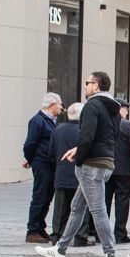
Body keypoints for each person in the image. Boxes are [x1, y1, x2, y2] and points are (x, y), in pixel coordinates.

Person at [35, 71, 122, 257]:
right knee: (77, 207)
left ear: (96, 86)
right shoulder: (114, 108)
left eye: (88, 83)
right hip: (105, 161)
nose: (85, 86)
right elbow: (108, 136)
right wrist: (79, 150)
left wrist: (80, 158)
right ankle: (60, 250)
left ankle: (111, 256)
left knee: (98, 211)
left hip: (91, 165)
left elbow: (88, 136)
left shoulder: (92, 105)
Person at [23, 92, 62, 243]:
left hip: (49, 164)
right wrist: (31, 159)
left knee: (47, 197)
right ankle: (32, 230)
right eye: (59, 104)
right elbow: (29, 144)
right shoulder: (38, 121)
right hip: (42, 164)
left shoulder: (51, 121)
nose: (61, 107)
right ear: (52, 105)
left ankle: (40, 227)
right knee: (40, 197)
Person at [48, 103, 82, 244]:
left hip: (62, 173)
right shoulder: (84, 131)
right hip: (79, 174)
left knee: (60, 208)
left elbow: (51, 153)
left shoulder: (58, 130)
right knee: (80, 207)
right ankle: (81, 236)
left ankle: (57, 234)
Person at [108, 102, 130, 244]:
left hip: (106, 167)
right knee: (122, 202)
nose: (126, 112)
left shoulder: (105, 124)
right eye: (125, 109)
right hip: (124, 170)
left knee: (104, 201)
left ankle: (99, 233)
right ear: (120, 109)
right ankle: (120, 233)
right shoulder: (128, 126)